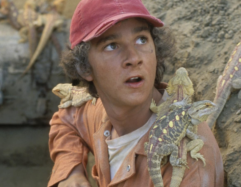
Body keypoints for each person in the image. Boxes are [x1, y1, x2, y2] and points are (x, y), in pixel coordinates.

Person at [48, 0, 224, 186]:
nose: (134, 58)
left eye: (141, 39)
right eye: (112, 45)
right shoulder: (99, 111)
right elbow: (66, 119)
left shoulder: (187, 166)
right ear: (85, 68)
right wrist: (71, 172)